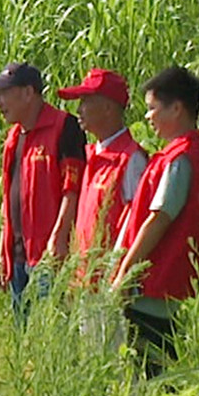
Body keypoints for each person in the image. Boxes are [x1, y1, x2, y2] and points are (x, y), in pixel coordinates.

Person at [109, 66, 199, 377]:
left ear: (177, 108)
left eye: (153, 108)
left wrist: (125, 271)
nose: (148, 117)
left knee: (153, 376)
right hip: (165, 287)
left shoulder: (181, 157)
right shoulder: (183, 154)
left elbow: (159, 219)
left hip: (158, 289)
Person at [0, 62, 86, 308]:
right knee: (24, 338)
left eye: (4, 93)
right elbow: (9, 197)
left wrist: (59, 237)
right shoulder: (14, 137)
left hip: (49, 257)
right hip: (17, 260)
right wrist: (3, 254)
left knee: (52, 334)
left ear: (28, 93)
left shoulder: (64, 127)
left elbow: (72, 188)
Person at [56, 68, 150, 288]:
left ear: (108, 107)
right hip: (83, 283)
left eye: (86, 101)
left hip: (110, 287)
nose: (79, 109)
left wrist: (120, 278)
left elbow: (137, 227)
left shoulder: (131, 158)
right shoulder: (90, 155)